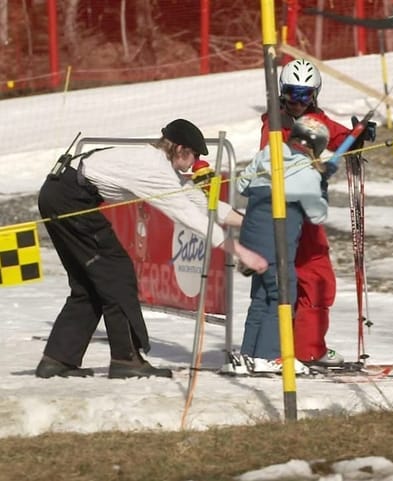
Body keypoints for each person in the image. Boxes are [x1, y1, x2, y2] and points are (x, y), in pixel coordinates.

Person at [35, 118, 268, 379]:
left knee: (89, 282)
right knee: (118, 275)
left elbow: (200, 203)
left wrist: (250, 222)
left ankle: (57, 359)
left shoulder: (160, 166)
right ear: (180, 149)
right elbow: (190, 218)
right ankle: (127, 359)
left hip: (60, 193)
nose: (193, 164)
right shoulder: (155, 170)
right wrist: (240, 251)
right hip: (70, 200)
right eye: (193, 155)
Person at [259, 58, 375, 366]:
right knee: (314, 279)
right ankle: (305, 350)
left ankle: (300, 347)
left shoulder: (311, 119)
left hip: (304, 214)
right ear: (281, 92)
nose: (297, 103)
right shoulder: (276, 125)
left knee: (307, 280)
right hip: (288, 213)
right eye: (291, 94)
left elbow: (335, 135)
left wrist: (357, 136)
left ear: (314, 95)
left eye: (304, 95)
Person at [238, 114, 330, 374]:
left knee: (262, 295)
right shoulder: (305, 168)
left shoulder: (269, 152)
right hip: (275, 241)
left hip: (251, 238)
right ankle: (270, 355)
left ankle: (249, 354)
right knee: (283, 294)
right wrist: (322, 184)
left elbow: (243, 183)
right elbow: (318, 213)